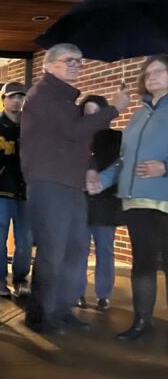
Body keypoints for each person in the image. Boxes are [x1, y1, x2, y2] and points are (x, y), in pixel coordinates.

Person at [21, 43, 129, 334]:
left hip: (68, 183)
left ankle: (61, 309)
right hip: (50, 183)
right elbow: (74, 132)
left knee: (74, 249)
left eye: (79, 62)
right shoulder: (43, 95)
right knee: (53, 251)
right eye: (68, 61)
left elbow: (77, 143)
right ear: (49, 65)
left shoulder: (65, 100)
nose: (75, 66)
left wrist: (91, 167)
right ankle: (40, 316)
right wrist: (114, 108)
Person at [91, 55, 168, 340]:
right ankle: (142, 323)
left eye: (160, 71)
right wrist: (104, 180)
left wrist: (165, 167)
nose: (152, 76)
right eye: (148, 73)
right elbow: (124, 159)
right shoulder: (138, 114)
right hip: (136, 201)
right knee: (143, 262)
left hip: (165, 200)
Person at [0, 82, 32, 298]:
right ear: (3, 99)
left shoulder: (32, 127)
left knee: (25, 240)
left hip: (26, 192)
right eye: (12, 97)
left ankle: (21, 279)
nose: (16, 101)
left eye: (20, 97)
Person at [76, 95, 123, 311]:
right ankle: (77, 292)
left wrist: (101, 181)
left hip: (105, 202)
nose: (91, 116)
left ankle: (104, 294)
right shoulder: (76, 137)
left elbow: (120, 166)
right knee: (80, 248)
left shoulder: (116, 139)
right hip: (81, 201)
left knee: (105, 248)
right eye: (87, 112)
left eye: (96, 112)